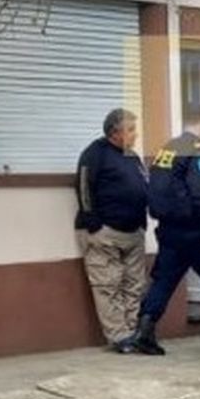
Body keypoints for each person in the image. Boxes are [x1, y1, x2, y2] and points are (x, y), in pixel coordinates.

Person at [131, 103, 200, 355]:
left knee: (163, 280)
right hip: (195, 230)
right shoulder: (199, 151)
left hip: (169, 228)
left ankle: (144, 331)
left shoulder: (167, 148)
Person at [74, 109, 150, 353]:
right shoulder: (94, 154)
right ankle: (119, 337)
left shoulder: (132, 156)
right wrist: (93, 222)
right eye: (130, 130)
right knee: (108, 286)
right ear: (114, 133)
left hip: (133, 232)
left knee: (134, 284)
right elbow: (84, 186)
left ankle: (132, 331)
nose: (135, 134)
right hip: (105, 232)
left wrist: (142, 223)